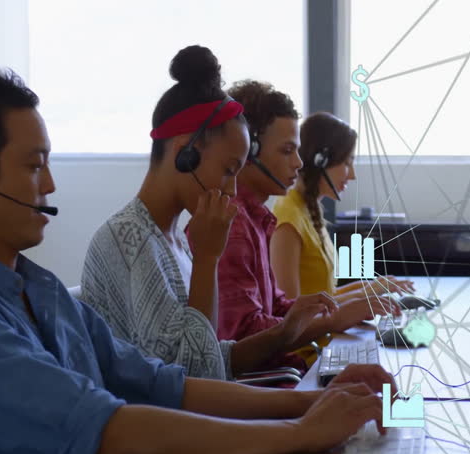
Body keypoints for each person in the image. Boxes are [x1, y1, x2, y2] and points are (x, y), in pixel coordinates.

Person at [0, 61, 396, 454]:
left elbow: (166, 384)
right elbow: (114, 436)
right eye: (33, 165)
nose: (50, 185)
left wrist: (312, 405)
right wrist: (299, 432)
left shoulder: (38, 291)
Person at [80, 45, 336, 381]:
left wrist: (285, 332)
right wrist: (207, 260)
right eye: (229, 170)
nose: (232, 190)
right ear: (185, 151)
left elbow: (212, 357)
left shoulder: (173, 240)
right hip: (168, 429)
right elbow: (190, 376)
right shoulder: (128, 239)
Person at [194, 80, 399, 365]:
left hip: (284, 372)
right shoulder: (233, 225)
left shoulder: (257, 219)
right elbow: (243, 337)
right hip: (270, 385)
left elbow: (279, 308)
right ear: (248, 150)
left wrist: (338, 308)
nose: (299, 164)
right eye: (287, 151)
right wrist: (335, 318)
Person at [270, 111, 415, 300]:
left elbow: (322, 295)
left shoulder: (308, 210)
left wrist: (373, 287)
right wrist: (364, 294)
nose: (352, 175)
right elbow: (290, 311)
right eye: (347, 163)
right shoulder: (289, 220)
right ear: (320, 161)